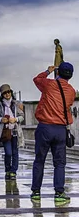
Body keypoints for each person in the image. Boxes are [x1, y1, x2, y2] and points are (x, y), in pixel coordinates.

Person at [31, 62, 75, 204]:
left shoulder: (49, 85)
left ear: (58, 72)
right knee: (60, 163)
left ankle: (36, 192)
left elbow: (36, 80)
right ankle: (59, 192)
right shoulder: (71, 91)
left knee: (39, 160)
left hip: (45, 127)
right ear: (71, 75)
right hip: (60, 129)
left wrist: (47, 71)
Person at [0, 84, 24, 180]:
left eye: (8, 92)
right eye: (5, 93)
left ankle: (13, 171)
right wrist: (1, 119)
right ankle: (7, 169)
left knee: (15, 152)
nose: (7, 94)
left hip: (15, 130)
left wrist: (16, 119)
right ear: (2, 95)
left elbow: (22, 116)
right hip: (5, 131)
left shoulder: (16, 104)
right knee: (8, 152)